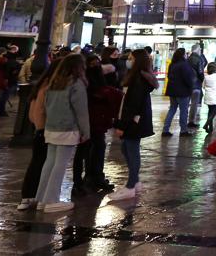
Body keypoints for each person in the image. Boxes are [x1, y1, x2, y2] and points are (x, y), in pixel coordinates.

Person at [35, 53, 89, 212]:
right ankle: (51, 200)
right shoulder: (76, 84)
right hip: (68, 128)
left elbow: (45, 105)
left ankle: (41, 199)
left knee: (49, 162)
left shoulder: (54, 83)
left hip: (51, 128)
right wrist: (85, 131)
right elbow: (81, 111)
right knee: (60, 164)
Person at [110, 49, 158, 201]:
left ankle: (131, 185)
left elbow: (132, 105)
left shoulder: (138, 79)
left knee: (131, 149)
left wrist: (122, 125)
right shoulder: (137, 77)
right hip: (135, 120)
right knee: (127, 148)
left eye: (131, 58)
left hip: (134, 121)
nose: (128, 60)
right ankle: (134, 181)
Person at [74, 53, 123, 196]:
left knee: (98, 147)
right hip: (88, 120)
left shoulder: (97, 77)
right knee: (85, 150)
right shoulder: (83, 81)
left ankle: (95, 176)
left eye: (97, 63)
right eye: (92, 64)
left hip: (99, 120)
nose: (95, 66)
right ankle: (81, 181)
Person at [17, 51, 56, 211]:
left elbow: (33, 113)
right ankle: (40, 197)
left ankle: (30, 196)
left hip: (40, 130)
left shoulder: (41, 84)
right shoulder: (49, 87)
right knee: (46, 163)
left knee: (38, 162)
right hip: (46, 130)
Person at [163, 47, 197, 136]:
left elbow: (169, 76)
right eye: (186, 54)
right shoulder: (184, 65)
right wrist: (191, 86)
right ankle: (183, 130)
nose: (187, 55)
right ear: (183, 55)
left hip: (172, 91)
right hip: (182, 92)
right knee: (183, 111)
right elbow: (188, 79)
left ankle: (165, 130)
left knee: (172, 109)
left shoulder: (172, 64)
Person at [187, 44, 207, 128]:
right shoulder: (199, 59)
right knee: (194, 105)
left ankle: (184, 121)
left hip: (187, 85)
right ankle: (191, 121)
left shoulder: (187, 59)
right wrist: (202, 80)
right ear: (198, 50)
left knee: (185, 105)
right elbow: (200, 72)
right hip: (196, 85)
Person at [202, 62, 216, 134]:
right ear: (215, 68)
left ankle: (210, 128)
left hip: (208, 96)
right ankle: (206, 124)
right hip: (215, 97)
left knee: (210, 111)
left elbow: (203, 86)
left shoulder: (206, 77)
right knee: (214, 112)